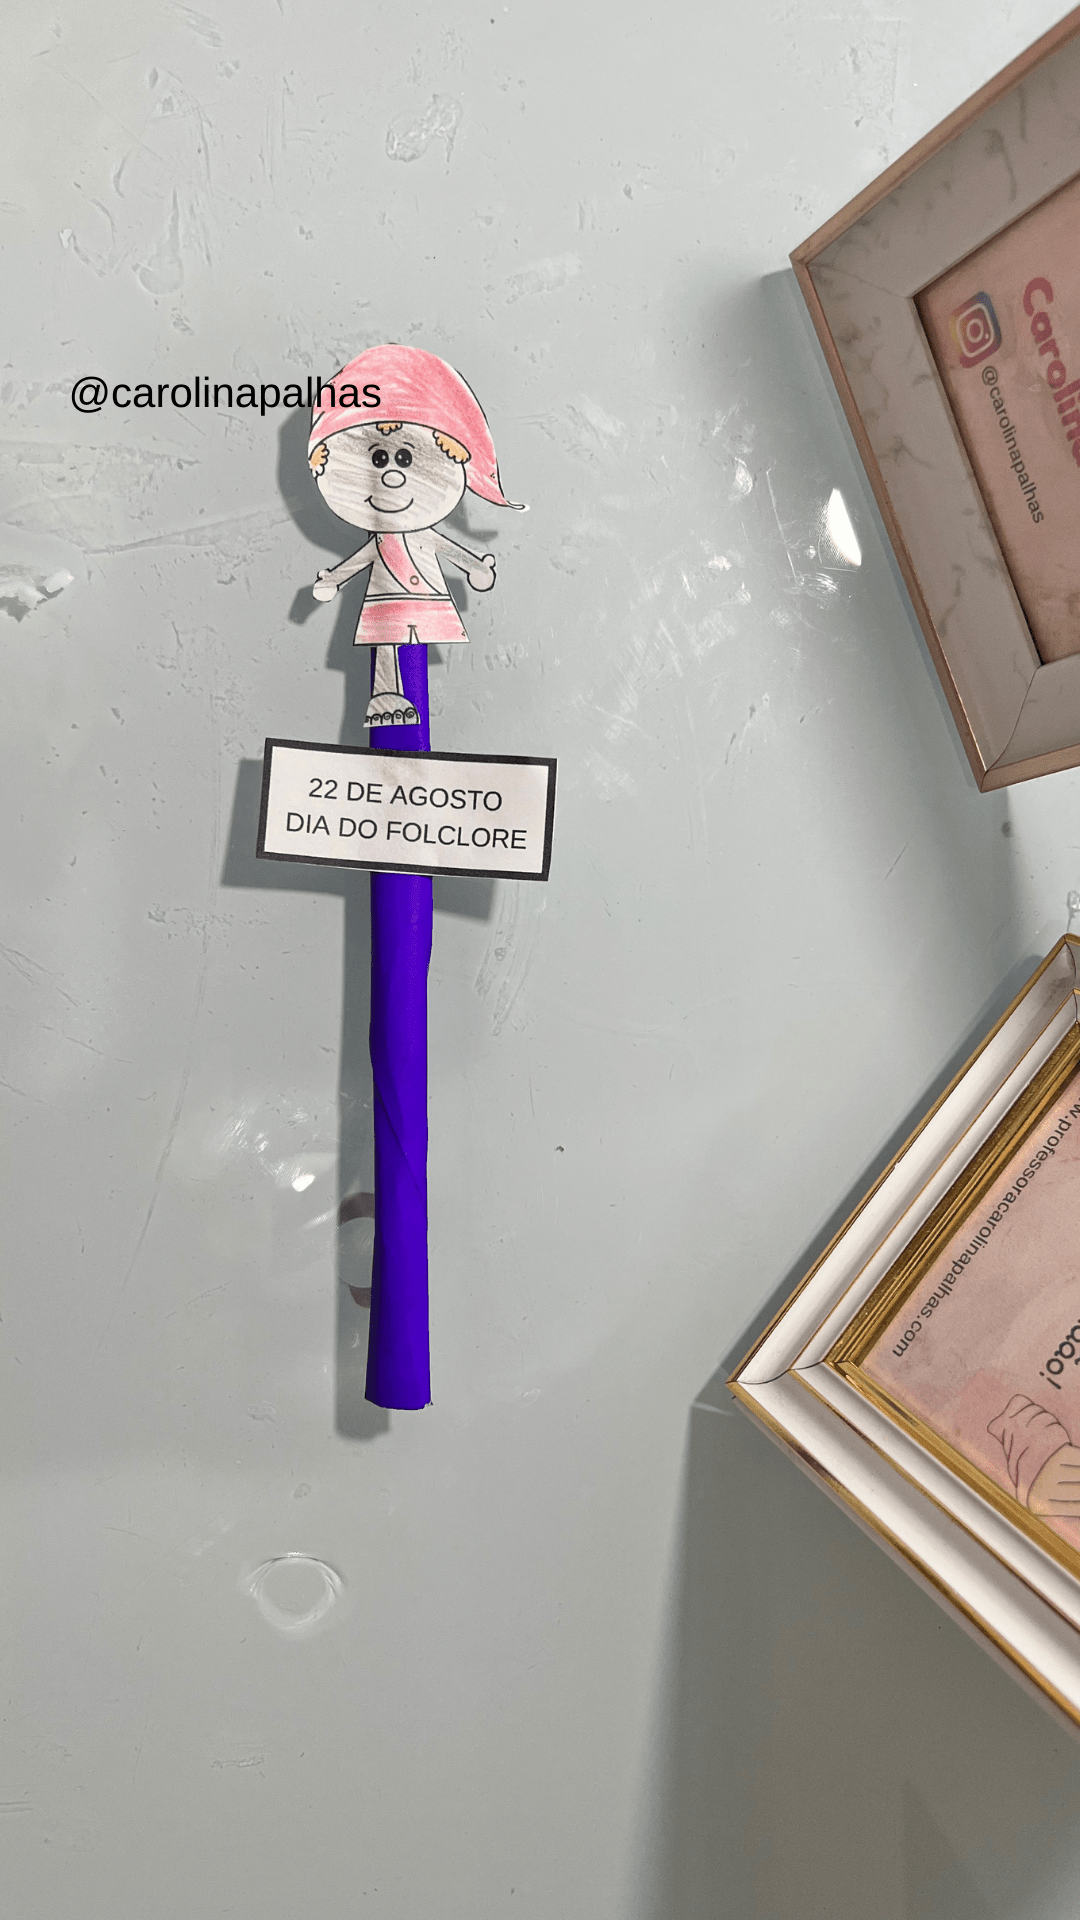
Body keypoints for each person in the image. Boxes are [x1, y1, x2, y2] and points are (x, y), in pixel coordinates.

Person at [307, 344, 523, 726]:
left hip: (419, 599)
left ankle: (398, 709)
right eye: (377, 459)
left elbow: (446, 547)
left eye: (405, 458)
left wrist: (475, 567)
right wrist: (333, 579)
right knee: (387, 642)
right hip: (388, 600)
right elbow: (361, 560)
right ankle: (385, 697)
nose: (391, 476)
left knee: (402, 643)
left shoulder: (421, 534)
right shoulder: (382, 540)